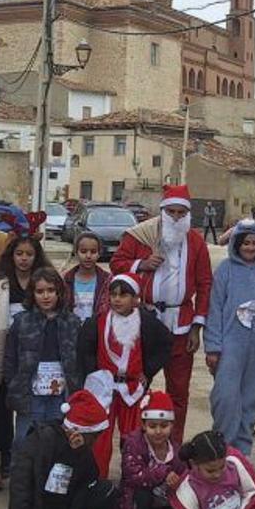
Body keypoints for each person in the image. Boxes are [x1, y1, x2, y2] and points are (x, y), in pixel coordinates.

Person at [111, 184, 212, 444]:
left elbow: (204, 284)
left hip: (181, 325)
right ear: (162, 210)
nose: (176, 217)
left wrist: (197, 327)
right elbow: (116, 264)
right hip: (144, 324)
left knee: (179, 391)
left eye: (181, 212)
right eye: (171, 211)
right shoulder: (141, 236)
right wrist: (140, 265)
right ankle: (134, 445)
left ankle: (173, 448)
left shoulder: (196, 242)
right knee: (136, 387)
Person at [8, 387, 122, 509]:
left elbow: (92, 478)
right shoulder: (39, 442)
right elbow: (20, 487)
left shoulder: (82, 446)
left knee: (106, 490)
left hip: (68, 504)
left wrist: (79, 454)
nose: (96, 440)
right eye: (94, 436)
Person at [77, 274, 173, 475]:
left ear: (136, 299)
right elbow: (84, 350)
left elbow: (165, 344)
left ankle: (133, 479)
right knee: (100, 436)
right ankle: (98, 478)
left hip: (132, 389)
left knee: (134, 438)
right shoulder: (97, 322)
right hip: (104, 389)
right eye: (113, 295)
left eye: (123, 295)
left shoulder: (146, 322)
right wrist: (93, 376)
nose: (117, 300)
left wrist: (147, 371)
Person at [204, 218, 255, 456]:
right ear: (236, 244)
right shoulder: (225, 269)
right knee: (225, 396)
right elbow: (214, 308)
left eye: (254, 243)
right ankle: (222, 448)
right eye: (245, 242)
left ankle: (242, 452)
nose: (250, 247)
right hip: (230, 343)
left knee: (252, 397)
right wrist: (213, 347)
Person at [0, 233, 46, 488]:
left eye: (29, 254)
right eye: (20, 254)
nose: (24, 259)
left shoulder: (45, 282)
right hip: (5, 357)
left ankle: (27, 464)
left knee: (32, 412)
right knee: (1, 411)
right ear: (11, 255)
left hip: (35, 358)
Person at [3, 266, 82, 446]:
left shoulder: (72, 322)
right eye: (40, 291)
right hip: (30, 394)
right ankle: (23, 474)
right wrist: (14, 383)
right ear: (32, 294)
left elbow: (78, 360)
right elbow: (10, 358)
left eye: (50, 290)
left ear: (59, 293)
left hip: (61, 394)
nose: (45, 296)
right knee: (25, 440)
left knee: (58, 439)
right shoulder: (21, 321)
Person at [114, 390, 188, 509]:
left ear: (171, 426)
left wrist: (177, 480)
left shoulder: (175, 449)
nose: (158, 431)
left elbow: (184, 473)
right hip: (138, 502)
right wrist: (163, 472)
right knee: (143, 493)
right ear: (143, 425)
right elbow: (133, 476)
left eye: (164, 426)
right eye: (153, 426)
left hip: (164, 502)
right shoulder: (134, 444)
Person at [61, 231, 111, 323]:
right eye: (83, 251)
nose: (88, 256)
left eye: (93, 252)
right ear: (76, 253)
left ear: (99, 253)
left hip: (96, 330)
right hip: (72, 330)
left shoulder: (107, 280)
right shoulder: (65, 279)